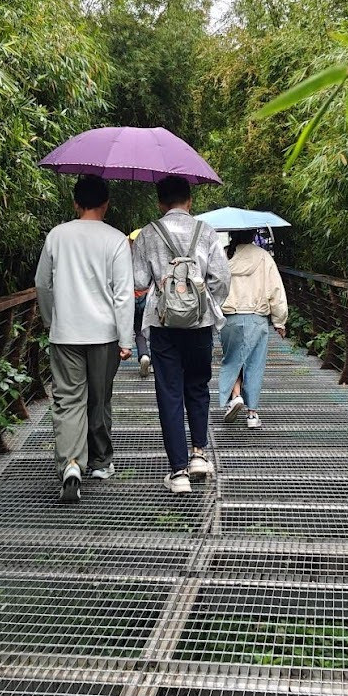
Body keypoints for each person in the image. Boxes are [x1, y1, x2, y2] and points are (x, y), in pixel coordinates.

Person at [35, 174, 134, 503]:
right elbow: (123, 294)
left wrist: (51, 321)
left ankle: (71, 464)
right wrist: (126, 339)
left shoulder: (57, 235)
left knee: (68, 400)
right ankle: (101, 462)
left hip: (65, 334)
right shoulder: (116, 239)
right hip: (104, 334)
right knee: (99, 397)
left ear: (75, 203)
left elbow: (42, 284)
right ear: (107, 203)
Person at [132, 176, 230, 494]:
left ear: (160, 203)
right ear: (190, 201)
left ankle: (178, 472)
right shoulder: (206, 231)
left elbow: (138, 280)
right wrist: (205, 304)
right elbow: (222, 278)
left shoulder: (148, 233)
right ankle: (199, 454)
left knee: (169, 392)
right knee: (198, 385)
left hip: (163, 326)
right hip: (200, 325)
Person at [218, 228, 288, 429]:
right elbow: (276, 290)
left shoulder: (223, 255)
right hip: (257, 318)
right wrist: (279, 321)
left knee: (232, 360)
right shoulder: (263, 257)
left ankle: (236, 396)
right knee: (254, 364)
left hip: (229, 318)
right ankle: (252, 414)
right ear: (252, 235)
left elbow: (213, 286)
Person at [128, 229, 152, 377]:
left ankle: (143, 355)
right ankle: (155, 360)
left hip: (131, 299)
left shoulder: (125, 258)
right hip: (148, 298)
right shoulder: (151, 257)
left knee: (138, 331)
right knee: (155, 330)